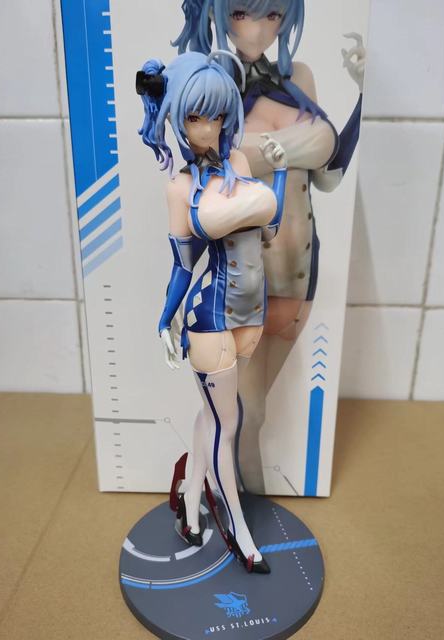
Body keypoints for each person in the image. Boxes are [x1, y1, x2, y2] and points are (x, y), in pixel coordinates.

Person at [174, 0, 365, 492]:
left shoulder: (299, 77)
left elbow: (327, 177)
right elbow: (204, 179)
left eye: (273, 15)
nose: (258, 30)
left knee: (252, 411)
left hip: (301, 274)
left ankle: (233, 504)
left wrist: (366, 100)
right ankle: (235, 508)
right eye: (241, 12)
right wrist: (302, 142)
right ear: (217, 13)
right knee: (244, 411)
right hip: (243, 281)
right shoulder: (208, 85)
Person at [137, 50, 287, 572]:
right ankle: (240, 531)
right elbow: (183, 266)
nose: (208, 128)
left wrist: (279, 178)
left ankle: (191, 496)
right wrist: (166, 317)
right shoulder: (180, 187)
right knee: (229, 420)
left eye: (217, 115)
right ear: (176, 118)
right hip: (210, 316)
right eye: (195, 117)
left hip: (252, 312)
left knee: (213, 414)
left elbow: (268, 232)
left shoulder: (240, 164)